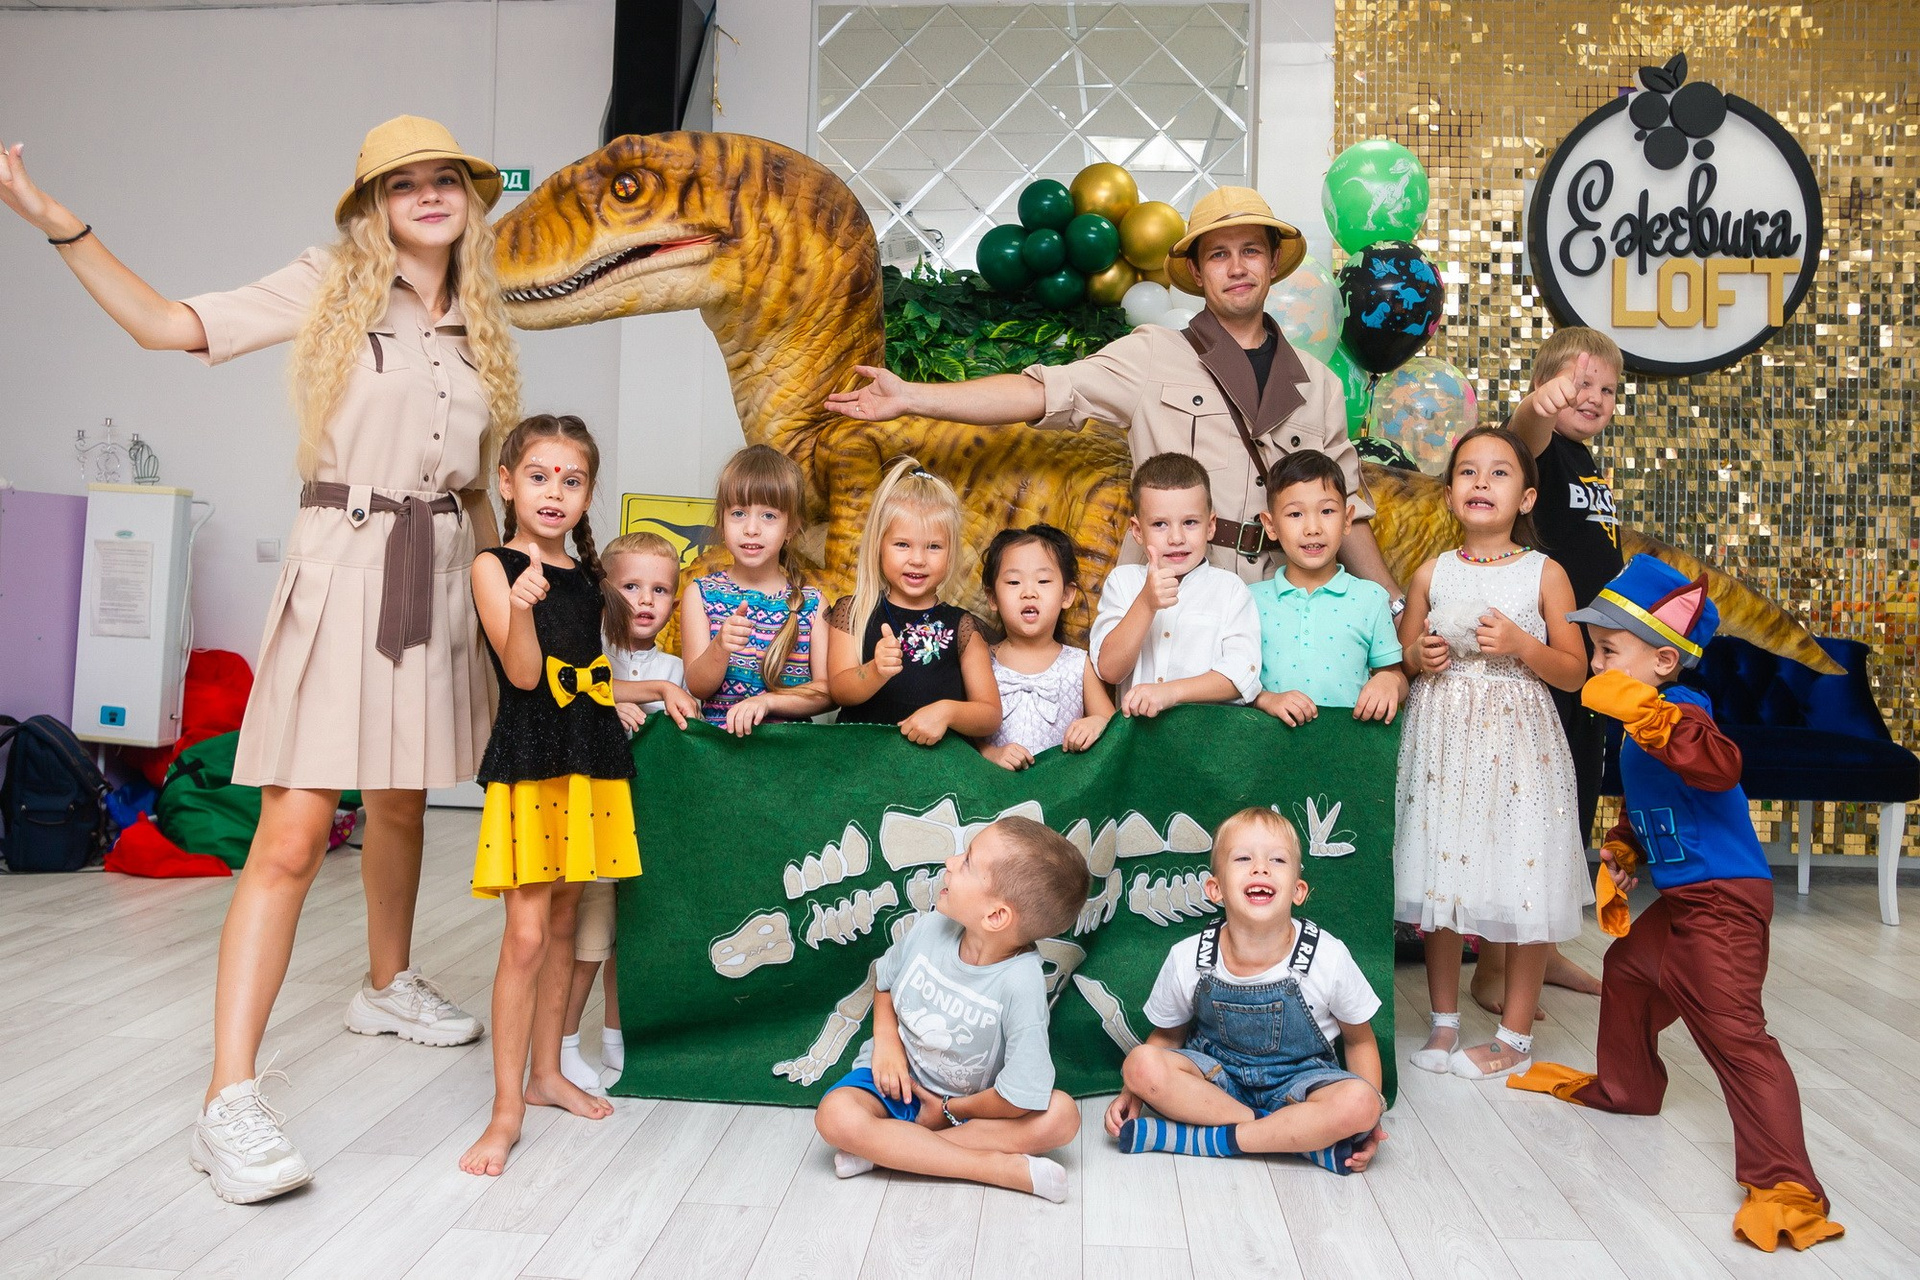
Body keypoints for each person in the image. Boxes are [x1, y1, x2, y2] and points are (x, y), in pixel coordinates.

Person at [1, 117, 516, 1202]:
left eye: (446, 179)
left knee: (403, 799)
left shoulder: (482, 317)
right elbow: (166, 325)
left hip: (440, 572)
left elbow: (477, 486)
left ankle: (386, 982)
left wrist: (507, 597)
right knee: (289, 835)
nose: (428, 195)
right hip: (344, 570)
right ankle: (225, 1100)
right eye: (403, 183)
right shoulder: (329, 282)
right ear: (372, 205)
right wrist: (58, 224)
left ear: (470, 196)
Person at [826, 188, 1401, 599]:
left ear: (1273, 264)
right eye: (1218, 254)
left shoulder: (1319, 386)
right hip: (1173, 592)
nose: (1236, 268)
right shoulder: (1152, 353)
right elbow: (1039, 393)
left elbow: (1349, 512)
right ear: (1197, 272)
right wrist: (912, 396)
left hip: (1287, 599)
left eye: (1250, 250)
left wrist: (1397, 610)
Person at [1509, 555, 1844, 1253]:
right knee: (1631, 971)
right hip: (1687, 898)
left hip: (1724, 900)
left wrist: (1647, 712)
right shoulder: (1640, 727)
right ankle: (1627, 1087)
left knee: (1735, 1033)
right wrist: (1625, 849)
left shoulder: (1681, 711)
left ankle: (1788, 1184)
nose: (1596, 664)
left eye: (1609, 651)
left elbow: (1718, 767)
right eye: (1596, 650)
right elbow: (1654, 802)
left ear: (1664, 661)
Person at [461, 415, 663, 1176]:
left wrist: (654, 690)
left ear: (588, 494)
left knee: (568, 917)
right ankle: (504, 1110)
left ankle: (546, 1073)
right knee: (525, 936)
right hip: (532, 757)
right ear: (507, 483)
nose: (554, 492)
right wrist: (520, 605)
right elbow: (522, 676)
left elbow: (591, 679)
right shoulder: (494, 566)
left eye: (572, 481)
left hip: (588, 757)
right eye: (539, 476)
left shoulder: (587, 577)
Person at [1394, 427, 1591, 1080]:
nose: (1482, 482)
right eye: (1468, 472)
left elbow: (1574, 672)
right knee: (1443, 877)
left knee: (1522, 876)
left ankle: (1514, 1036)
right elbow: (1403, 658)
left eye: (1500, 472)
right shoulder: (1431, 573)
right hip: (1443, 745)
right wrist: (1419, 656)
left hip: (1519, 747)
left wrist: (1522, 645)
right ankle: (1444, 1021)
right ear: (1450, 494)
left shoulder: (1545, 574)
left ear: (1527, 498)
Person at [813, 816, 1086, 1200]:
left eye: (967, 862)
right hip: (893, 1086)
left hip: (968, 1109)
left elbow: (1018, 1096)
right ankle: (994, 1168)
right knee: (834, 1115)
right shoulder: (931, 928)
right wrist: (887, 1043)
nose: (950, 861)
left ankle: (888, 1151)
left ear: (996, 916)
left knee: (1062, 1116)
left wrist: (949, 1108)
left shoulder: (1021, 983)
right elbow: (885, 982)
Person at [1104, 808, 1386, 1173]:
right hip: (1217, 1086)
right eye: (1243, 859)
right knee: (1139, 1064)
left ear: (1298, 891)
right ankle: (1293, 1139)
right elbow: (1167, 1037)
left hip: (1301, 1087)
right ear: (1215, 889)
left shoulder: (1327, 957)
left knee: (1362, 1103)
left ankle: (1208, 1140)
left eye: (1277, 860)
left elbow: (1359, 1041)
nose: (1261, 868)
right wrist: (1133, 1092)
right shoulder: (1189, 957)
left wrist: (1369, 1121)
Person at [1474, 328, 1624, 1012]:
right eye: (1581, 385)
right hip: (1543, 661)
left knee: (1570, 808)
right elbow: (1521, 436)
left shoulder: (1586, 463)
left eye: (1608, 390)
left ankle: (1544, 947)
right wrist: (1540, 405)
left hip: (1589, 666)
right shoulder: (1539, 453)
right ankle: (1492, 966)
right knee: (1524, 812)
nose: (1594, 398)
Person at [559, 531, 697, 1095]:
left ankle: (617, 1038)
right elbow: (574, 693)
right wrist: (610, 704)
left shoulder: (677, 668)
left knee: (630, 942)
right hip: (594, 830)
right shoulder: (591, 653)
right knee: (588, 943)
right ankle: (564, 1042)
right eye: (631, 587)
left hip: (649, 828)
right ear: (605, 592)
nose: (645, 600)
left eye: (660, 590)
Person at [826, 458, 1002, 744]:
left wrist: (947, 712)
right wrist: (875, 670)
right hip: (862, 758)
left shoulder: (962, 627)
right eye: (902, 544)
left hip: (935, 763)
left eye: (933, 546)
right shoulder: (854, 612)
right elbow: (839, 691)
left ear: (951, 553)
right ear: (879, 545)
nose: (918, 560)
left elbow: (990, 715)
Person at [1091, 452, 1261, 716]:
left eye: (1190, 522)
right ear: (1137, 530)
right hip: (1138, 736)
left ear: (1210, 526)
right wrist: (1145, 604)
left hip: (1205, 737)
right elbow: (1110, 670)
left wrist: (1170, 693)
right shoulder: (1123, 582)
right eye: (1160, 524)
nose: (1176, 538)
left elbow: (1241, 676)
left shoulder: (1231, 590)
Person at [680, 446, 832, 734]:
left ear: (791, 528)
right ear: (721, 522)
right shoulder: (700, 594)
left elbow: (826, 692)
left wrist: (768, 702)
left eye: (769, 516)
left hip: (788, 751)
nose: (751, 528)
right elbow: (698, 687)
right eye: (739, 513)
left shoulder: (813, 604)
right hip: (720, 748)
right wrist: (720, 647)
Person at [1248, 450, 1405, 728]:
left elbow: (1396, 675)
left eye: (1327, 511)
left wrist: (1389, 681)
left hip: (1347, 745)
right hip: (1268, 747)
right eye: (1295, 514)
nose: (1313, 528)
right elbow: (1232, 682)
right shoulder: (1249, 600)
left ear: (1347, 519)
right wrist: (1265, 699)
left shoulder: (1370, 598)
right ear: (1270, 525)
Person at [977, 524, 1114, 770]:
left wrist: (1097, 723)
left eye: (1043, 581)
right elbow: (962, 735)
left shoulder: (1077, 664)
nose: (1029, 592)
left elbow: (1114, 727)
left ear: (1067, 595)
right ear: (993, 597)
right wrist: (990, 753)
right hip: (993, 788)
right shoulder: (980, 662)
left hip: (1062, 787)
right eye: (1014, 582)